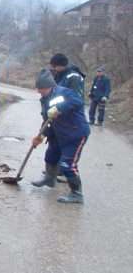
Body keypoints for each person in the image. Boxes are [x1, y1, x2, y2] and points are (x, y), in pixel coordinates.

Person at [31, 69, 90, 204]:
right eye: (38, 88)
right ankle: (49, 179)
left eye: (41, 88)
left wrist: (59, 108)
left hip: (75, 133)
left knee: (67, 164)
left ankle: (76, 193)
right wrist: (40, 136)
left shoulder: (65, 92)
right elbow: (47, 120)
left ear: (50, 86)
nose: (38, 91)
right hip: (59, 133)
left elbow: (78, 102)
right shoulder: (45, 99)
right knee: (50, 156)